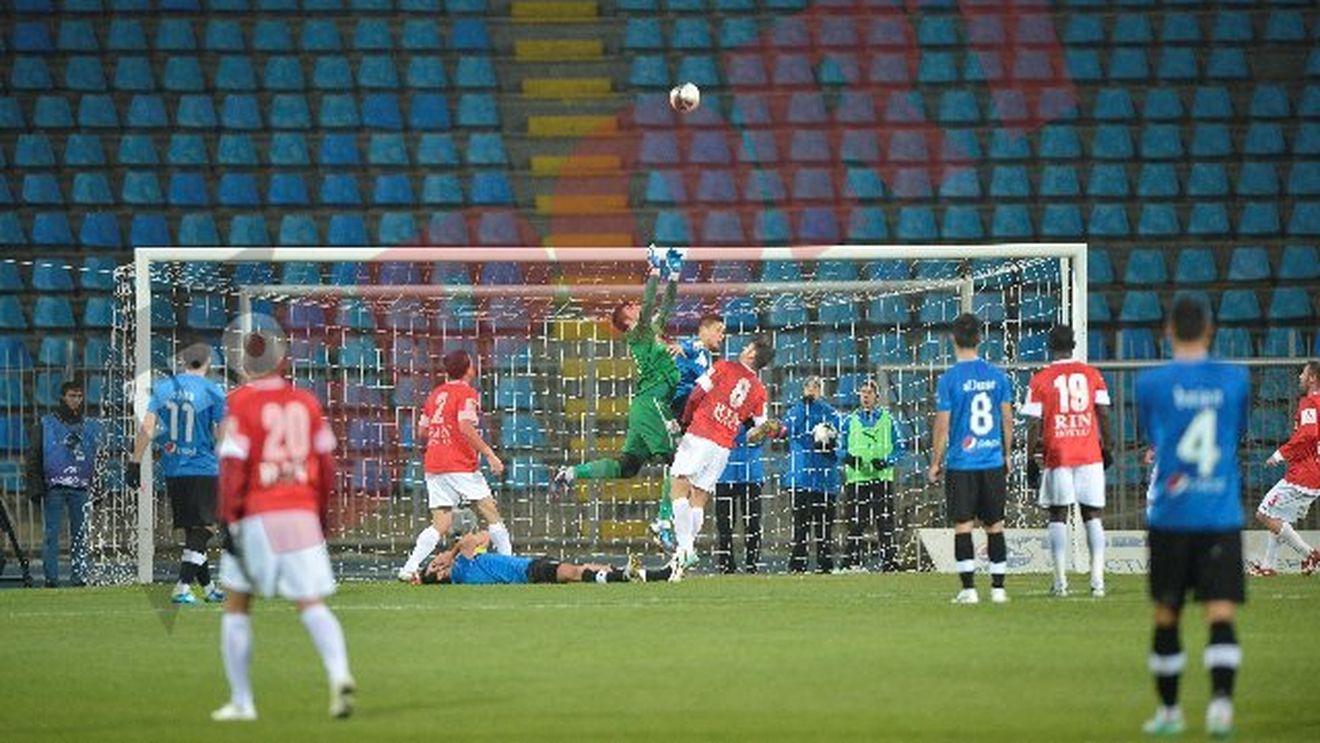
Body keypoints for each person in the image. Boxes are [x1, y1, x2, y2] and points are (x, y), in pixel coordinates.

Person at [213, 328, 355, 722]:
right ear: (282, 361)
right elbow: (327, 465)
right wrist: (320, 514)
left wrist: (228, 518)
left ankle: (242, 702)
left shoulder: (238, 404)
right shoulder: (306, 402)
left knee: (237, 602)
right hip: (301, 511)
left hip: (257, 511)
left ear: (244, 365)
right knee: (310, 601)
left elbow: (232, 464)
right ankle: (339, 674)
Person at [1135, 294, 1249, 738]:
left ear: (1167, 331)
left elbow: (1157, 434)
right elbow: (1235, 431)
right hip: (1219, 513)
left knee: (1167, 612)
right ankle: (1221, 707)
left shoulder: (1150, 384)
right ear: (1209, 330)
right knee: (1220, 612)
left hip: (1170, 515)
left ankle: (1169, 712)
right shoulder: (1235, 380)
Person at [555, 247, 684, 545]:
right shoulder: (636, 334)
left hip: (643, 406)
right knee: (678, 463)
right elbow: (652, 300)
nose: (638, 306)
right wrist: (654, 272)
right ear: (626, 321)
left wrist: (674, 275)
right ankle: (664, 521)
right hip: (652, 403)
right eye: (630, 307)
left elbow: (665, 306)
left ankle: (573, 473)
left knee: (628, 466)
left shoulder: (650, 330)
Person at [667, 337, 778, 580]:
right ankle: (683, 557)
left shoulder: (724, 367)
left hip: (701, 433)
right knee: (699, 497)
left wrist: (684, 421)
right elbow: (755, 433)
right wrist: (772, 428)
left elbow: (696, 394)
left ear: (751, 355)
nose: (744, 349)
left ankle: (685, 549)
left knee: (677, 486)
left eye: (748, 347)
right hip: (723, 448)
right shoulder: (759, 390)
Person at [397, 350, 512, 582]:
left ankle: (409, 568)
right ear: (469, 368)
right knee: (491, 513)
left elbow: (422, 430)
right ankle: (509, 562)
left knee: (441, 523)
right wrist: (490, 454)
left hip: (435, 462)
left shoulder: (435, 394)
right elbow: (465, 426)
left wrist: (441, 433)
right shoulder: (467, 393)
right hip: (460, 463)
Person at [128, 338, 228, 604]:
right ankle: (182, 586)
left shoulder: (162, 389)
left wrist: (134, 462)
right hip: (203, 467)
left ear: (183, 362)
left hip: (173, 469)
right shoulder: (212, 391)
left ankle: (208, 589)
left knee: (193, 530)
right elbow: (222, 434)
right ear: (207, 363)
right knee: (206, 527)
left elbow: (148, 427)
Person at [1021, 325, 1114, 598]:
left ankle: (1060, 582)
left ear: (1050, 346)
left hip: (1058, 455)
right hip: (1089, 453)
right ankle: (1097, 581)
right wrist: (1107, 447)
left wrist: (1030, 459)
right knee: (1092, 514)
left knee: (1058, 514)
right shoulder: (1092, 374)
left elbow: (1033, 424)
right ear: (1074, 345)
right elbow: (1104, 413)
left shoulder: (1041, 379)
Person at [928, 313, 1014, 604]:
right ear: (980, 338)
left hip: (962, 463)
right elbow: (1007, 419)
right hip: (991, 462)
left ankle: (968, 590)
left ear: (953, 339)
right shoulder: (997, 376)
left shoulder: (949, 379)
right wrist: (1007, 454)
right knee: (995, 526)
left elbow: (942, 424)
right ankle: (999, 589)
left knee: (963, 526)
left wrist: (935, 462)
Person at [656, 313, 726, 548]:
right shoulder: (697, 347)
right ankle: (664, 522)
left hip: (685, 413)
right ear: (704, 330)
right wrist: (679, 346)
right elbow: (687, 347)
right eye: (718, 330)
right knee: (679, 468)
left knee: (680, 469)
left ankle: (667, 522)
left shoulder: (707, 356)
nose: (721, 336)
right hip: (675, 408)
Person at [1247, 360, 1320, 577]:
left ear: (1312, 378)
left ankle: (1309, 553)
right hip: (1312, 472)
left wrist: (1280, 454)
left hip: (1303, 474)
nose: (1299, 377)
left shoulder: (1309, 402)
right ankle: (1269, 566)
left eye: (1303, 373)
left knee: (1263, 513)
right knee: (1278, 518)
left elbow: (1308, 433)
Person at [26, 380, 101, 588]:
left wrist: (98, 486)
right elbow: (33, 455)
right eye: (71, 396)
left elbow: (96, 457)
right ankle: (51, 579)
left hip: (80, 487)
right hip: (54, 487)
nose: (76, 400)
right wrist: (34, 486)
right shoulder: (45, 423)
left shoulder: (88, 425)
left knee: (80, 535)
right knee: (51, 535)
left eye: (79, 396)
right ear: (62, 397)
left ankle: (79, 578)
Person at [417, 530, 673, 585]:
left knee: (582, 568)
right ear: (440, 573)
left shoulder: (467, 562)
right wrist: (450, 555)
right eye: (434, 564)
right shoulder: (461, 568)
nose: (436, 558)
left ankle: (648, 574)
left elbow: (483, 536)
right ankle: (627, 575)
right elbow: (470, 540)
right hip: (526, 572)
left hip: (528, 566)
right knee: (572, 572)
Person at [837, 378, 905, 572]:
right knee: (857, 524)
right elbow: (839, 448)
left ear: (877, 396)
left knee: (884, 523)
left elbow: (900, 448)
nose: (865, 396)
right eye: (862, 392)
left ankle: (889, 563)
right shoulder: (849, 421)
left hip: (881, 478)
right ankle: (851, 563)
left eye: (869, 392)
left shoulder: (888, 419)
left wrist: (886, 461)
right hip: (857, 479)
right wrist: (848, 458)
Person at [782, 376, 842, 574]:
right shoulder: (795, 411)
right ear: (803, 389)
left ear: (821, 390)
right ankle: (797, 566)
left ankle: (825, 566)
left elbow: (841, 440)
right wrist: (802, 406)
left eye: (816, 387)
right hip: (801, 479)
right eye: (808, 387)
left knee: (825, 528)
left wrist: (831, 446)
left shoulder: (831, 413)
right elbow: (785, 430)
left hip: (826, 480)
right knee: (801, 526)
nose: (812, 390)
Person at [713, 427, 766, 574]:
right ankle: (726, 566)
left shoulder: (757, 415)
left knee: (753, 523)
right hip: (724, 474)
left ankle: (752, 565)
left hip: (751, 474)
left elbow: (775, 431)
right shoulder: (722, 412)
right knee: (724, 525)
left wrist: (764, 429)